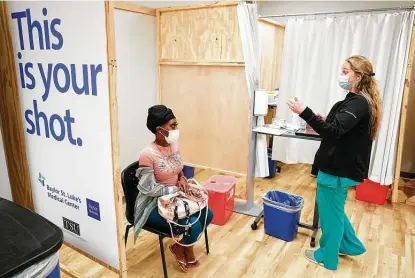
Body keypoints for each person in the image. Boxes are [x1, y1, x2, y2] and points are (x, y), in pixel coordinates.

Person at [287, 55, 382, 271]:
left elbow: (335, 132)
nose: (342, 75)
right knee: (335, 210)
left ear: (358, 77)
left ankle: (327, 257)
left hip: (338, 169)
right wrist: (322, 119)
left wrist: (306, 113)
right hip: (340, 165)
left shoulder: (358, 103)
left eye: (346, 71)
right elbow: (340, 129)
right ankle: (350, 246)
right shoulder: (355, 100)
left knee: (330, 215)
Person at [138, 105, 213, 273]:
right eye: (172, 126)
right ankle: (186, 249)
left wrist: (182, 178)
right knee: (192, 226)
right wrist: (171, 190)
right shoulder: (147, 155)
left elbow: (179, 169)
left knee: (209, 214)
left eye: (176, 125)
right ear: (159, 130)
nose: (176, 129)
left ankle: (181, 247)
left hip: (176, 195)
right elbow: (147, 188)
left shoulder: (173, 144)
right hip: (154, 204)